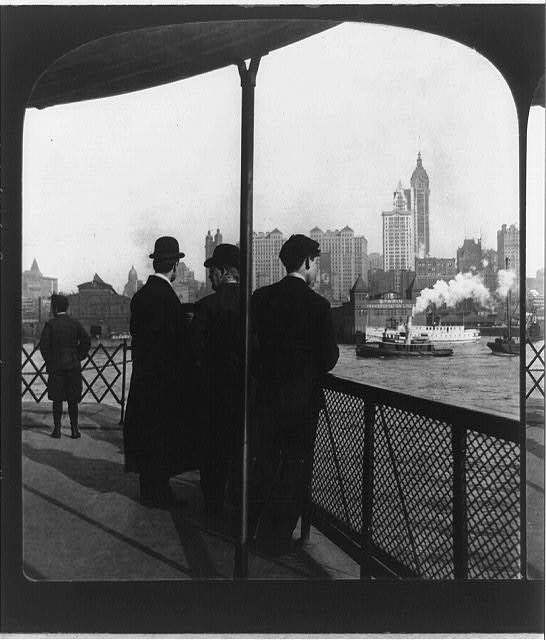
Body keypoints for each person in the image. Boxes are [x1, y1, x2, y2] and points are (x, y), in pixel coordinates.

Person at [249, 234, 339, 554]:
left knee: (265, 462)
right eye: (315, 262)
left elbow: (253, 350)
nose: (315, 269)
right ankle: (277, 538)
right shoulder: (318, 306)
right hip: (302, 404)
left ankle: (253, 528)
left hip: (266, 400)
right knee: (295, 468)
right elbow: (329, 359)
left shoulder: (260, 298)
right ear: (307, 263)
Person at [123, 236, 194, 508]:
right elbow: (177, 344)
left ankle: (148, 490)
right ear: (175, 265)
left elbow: (136, 333)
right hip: (165, 382)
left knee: (146, 434)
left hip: (143, 378)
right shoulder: (169, 299)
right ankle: (160, 494)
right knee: (163, 436)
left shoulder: (140, 296)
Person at [191, 243, 241, 516]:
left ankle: (213, 508)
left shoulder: (205, 307)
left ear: (223, 272)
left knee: (212, 456)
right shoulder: (252, 304)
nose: (209, 276)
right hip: (246, 396)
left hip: (212, 396)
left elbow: (194, 352)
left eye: (212, 271)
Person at [39, 293, 91, 439]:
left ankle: (57, 430)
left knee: (57, 400)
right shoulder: (75, 324)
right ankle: (74, 430)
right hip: (73, 367)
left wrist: (50, 361)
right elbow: (86, 341)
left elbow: (44, 346)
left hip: (56, 368)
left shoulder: (50, 325)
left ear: (55, 308)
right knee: (72, 400)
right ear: (66, 307)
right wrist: (78, 356)